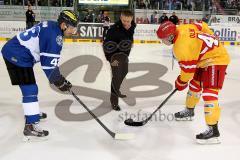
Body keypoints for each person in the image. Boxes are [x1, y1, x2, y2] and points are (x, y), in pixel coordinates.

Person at [1, 10, 79, 141]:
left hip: (18, 52)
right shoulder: (55, 37)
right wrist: (59, 81)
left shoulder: (52, 26)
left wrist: (59, 79)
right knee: (30, 89)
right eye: (72, 28)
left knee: (30, 88)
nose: (73, 31)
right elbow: (48, 65)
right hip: (16, 55)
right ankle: (30, 126)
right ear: (64, 25)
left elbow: (49, 62)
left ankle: (32, 113)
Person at [156, 21, 230, 144]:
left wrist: (180, 83)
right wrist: (212, 39)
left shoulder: (181, 47)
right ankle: (189, 110)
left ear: (170, 37)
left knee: (209, 93)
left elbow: (188, 72)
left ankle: (213, 130)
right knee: (195, 85)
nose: (162, 41)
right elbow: (203, 25)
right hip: (204, 59)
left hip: (217, 58)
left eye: (163, 39)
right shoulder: (185, 27)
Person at [103, 10, 136, 111]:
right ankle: (114, 101)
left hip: (124, 55)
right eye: (124, 20)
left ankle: (117, 90)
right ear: (121, 18)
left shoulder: (132, 26)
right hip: (115, 56)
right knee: (116, 77)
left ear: (131, 19)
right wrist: (110, 59)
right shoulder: (114, 29)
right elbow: (106, 45)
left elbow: (129, 38)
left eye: (128, 21)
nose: (126, 23)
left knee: (124, 72)